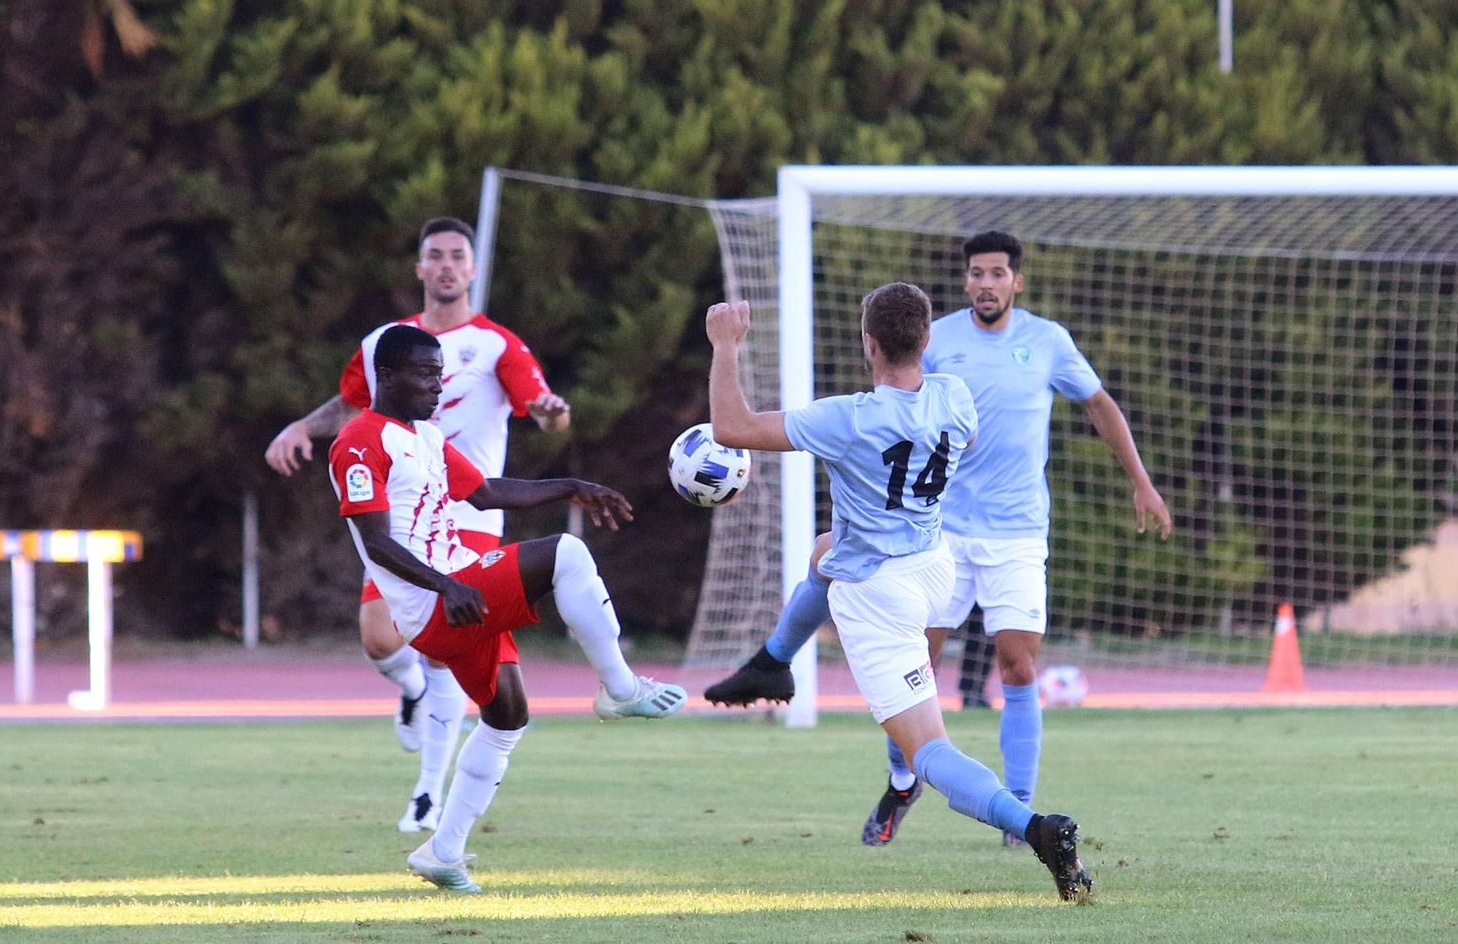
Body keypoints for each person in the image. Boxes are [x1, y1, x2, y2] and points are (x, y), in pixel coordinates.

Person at [704, 231, 1171, 850]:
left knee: (931, 744)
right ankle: (773, 664)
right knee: (826, 550)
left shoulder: (845, 418)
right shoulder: (953, 396)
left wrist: (725, 347)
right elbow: (964, 442)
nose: (987, 283)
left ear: (869, 344)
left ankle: (1029, 824)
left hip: (888, 584)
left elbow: (732, 428)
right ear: (929, 342)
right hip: (934, 558)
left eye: (998, 273)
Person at [330, 324, 685, 893]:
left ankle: (442, 852)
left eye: (440, 374)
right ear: (388, 375)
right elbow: (375, 544)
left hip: (454, 599)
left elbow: (486, 493)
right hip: (434, 604)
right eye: (424, 374)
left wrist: (570, 485)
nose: (436, 386)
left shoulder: (424, 436)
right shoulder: (357, 441)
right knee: (566, 554)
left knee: (507, 718)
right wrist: (446, 587)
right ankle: (620, 689)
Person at [265, 217, 572, 835]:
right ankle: (407, 691)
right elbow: (352, 404)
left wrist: (550, 414)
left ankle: (427, 793)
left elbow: (545, 410)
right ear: (420, 269)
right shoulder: (388, 340)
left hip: (472, 514)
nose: (448, 266)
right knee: (380, 639)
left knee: (447, 648)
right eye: (436, 256)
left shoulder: (498, 345)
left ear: (473, 268)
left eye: (459, 255)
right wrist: (302, 426)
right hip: (404, 511)